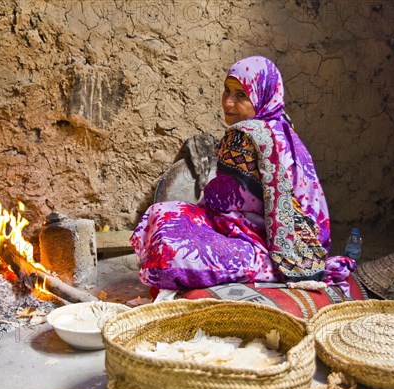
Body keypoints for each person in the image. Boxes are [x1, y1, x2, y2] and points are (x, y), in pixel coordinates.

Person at [130, 56, 355, 294]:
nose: (228, 103)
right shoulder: (283, 127)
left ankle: (265, 268)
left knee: (168, 236)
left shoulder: (244, 134)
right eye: (227, 91)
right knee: (169, 218)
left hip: (267, 245)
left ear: (261, 96)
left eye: (241, 95)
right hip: (307, 244)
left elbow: (219, 200)